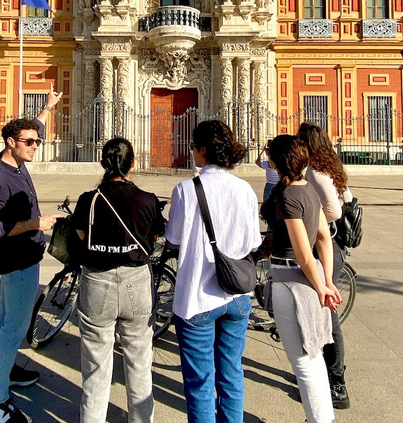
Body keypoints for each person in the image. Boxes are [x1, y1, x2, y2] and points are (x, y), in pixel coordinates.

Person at [0, 84, 63, 423]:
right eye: (30, 142)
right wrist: (35, 224)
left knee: (3, 318)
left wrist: (48, 107)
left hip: (20, 257)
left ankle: (7, 370)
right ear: (11, 143)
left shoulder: (12, 158)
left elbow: (34, 127)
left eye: (37, 142)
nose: (36, 146)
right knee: (15, 326)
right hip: (18, 259)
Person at [166, 120, 262, 423]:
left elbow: (174, 239)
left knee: (199, 382)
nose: (192, 151)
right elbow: (254, 242)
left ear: (203, 150)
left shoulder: (185, 190)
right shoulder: (244, 189)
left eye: (194, 147)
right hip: (237, 296)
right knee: (232, 373)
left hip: (197, 299)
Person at [71, 137, 164, 423]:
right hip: (136, 282)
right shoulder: (147, 199)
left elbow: (79, 239)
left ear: (103, 162)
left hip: (98, 283)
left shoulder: (90, 200)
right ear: (133, 163)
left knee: (96, 367)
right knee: (139, 362)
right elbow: (156, 237)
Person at [260, 134, 341, 423]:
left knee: (302, 361)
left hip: (291, 282)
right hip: (310, 278)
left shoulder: (289, 197)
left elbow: (303, 253)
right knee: (314, 353)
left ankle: (320, 420)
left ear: (278, 161)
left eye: (270, 154)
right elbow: (323, 238)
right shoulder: (307, 189)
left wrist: (322, 287)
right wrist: (327, 279)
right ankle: (320, 416)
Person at [298, 122, 353, 410]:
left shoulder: (316, 173)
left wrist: (313, 217)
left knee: (327, 316)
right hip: (331, 244)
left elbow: (334, 210)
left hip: (327, 248)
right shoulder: (329, 165)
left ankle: (337, 381)